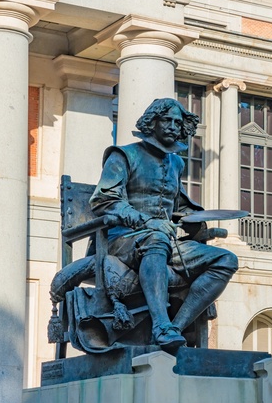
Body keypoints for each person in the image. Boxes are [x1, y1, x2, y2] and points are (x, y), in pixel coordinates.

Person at [89, 98, 238, 351]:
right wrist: (147, 221)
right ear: (152, 122)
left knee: (226, 260)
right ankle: (160, 324)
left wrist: (200, 225)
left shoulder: (175, 162)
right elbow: (104, 201)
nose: (172, 126)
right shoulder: (123, 155)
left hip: (165, 244)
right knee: (156, 239)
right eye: (166, 120)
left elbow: (178, 206)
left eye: (177, 122)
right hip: (123, 240)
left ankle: (173, 329)